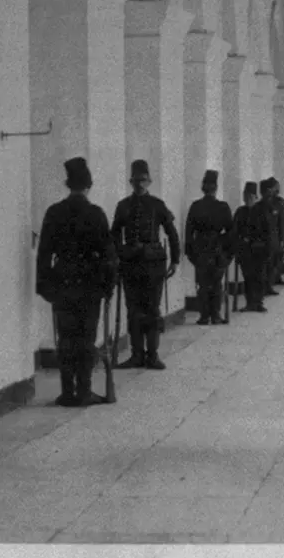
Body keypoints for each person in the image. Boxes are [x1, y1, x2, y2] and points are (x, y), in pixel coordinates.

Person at [36, 157, 118, 407]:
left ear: (67, 184)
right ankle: (84, 390)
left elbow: (44, 255)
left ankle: (67, 391)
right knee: (85, 338)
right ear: (88, 185)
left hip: (62, 283)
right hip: (89, 285)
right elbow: (109, 256)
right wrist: (108, 286)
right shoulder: (96, 214)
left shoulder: (54, 212)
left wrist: (45, 287)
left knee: (66, 338)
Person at [110, 159, 180, 370]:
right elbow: (114, 235)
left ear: (149, 181)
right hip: (130, 264)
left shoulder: (157, 205)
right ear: (130, 182)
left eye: (143, 180)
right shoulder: (123, 206)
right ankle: (136, 354)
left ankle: (153, 355)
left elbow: (172, 233)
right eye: (136, 180)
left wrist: (175, 259)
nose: (139, 184)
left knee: (152, 310)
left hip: (153, 265)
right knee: (133, 311)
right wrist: (117, 257)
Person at [184, 169, 233, 325]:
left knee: (203, 284)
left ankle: (205, 315)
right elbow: (231, 232)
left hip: (201, 249)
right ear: (215, 188)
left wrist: (191, 253)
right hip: (217, 248)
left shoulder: (196, 207)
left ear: (203, 188)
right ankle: (215, 315)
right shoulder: (223, 207)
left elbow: (189, 232)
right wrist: (227, 252)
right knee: (216, 283)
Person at [231, 182, 265, 313]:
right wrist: (238, 243)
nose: (247, 199)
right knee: (248, 277)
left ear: (255, 197)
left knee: (260, 277)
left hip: (259, 249)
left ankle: (259, 302)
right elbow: (234, 231)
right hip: (245, 251)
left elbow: (267, 231)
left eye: (250, 196)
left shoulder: (262, 211)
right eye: (245, 196)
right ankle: (250, 302)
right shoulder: (240, 212)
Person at [249, 178, 282, 300]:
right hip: (263, 242)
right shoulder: (258, 208)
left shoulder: (274, 205)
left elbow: (278, 224)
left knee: (272, 265)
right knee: (263, 267)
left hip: (273, 241)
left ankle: (269, 286)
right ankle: (263, 288)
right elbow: (257, 226)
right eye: (272, 189)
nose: (274, 191)